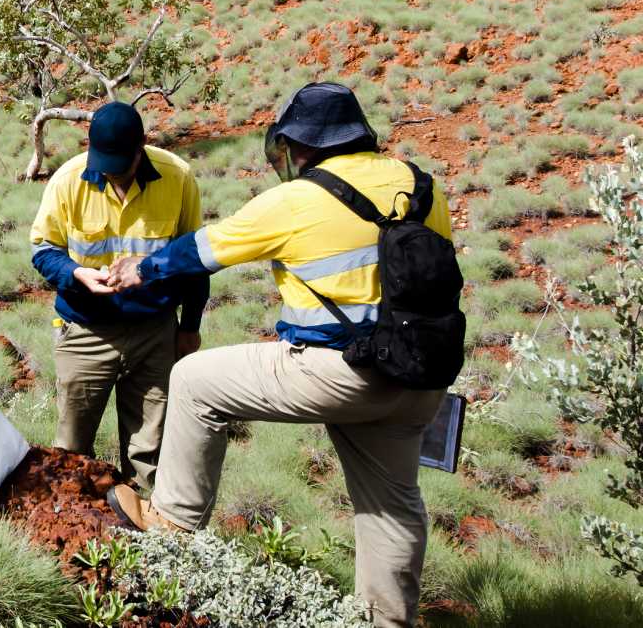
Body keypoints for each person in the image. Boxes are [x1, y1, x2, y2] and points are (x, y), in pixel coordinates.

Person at [99, 82, 453, 628]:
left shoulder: (296, 200)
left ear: (300, 146)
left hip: (340, 372)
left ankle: (169, 527)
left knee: (193, 379)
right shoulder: (421, 185)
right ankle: (388, 622)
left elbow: (202, 250)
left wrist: (135, 269)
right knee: (391, 504)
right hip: (418, 377)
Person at [28, 101, 208, 493]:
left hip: (154, 332)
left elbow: (196, 258)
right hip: (86, 330)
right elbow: (43, 251)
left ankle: (146, 532)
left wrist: (189, 327)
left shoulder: (177, 177)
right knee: (72, 450)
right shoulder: (67, 180)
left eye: (120, 163)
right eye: (103, 161)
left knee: (151, 452)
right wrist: (76, 273)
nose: (111, 172)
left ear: (142, 145)